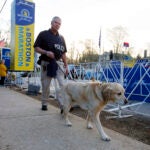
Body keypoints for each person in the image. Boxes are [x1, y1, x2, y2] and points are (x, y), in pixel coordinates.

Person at [34, 16, 68, 111]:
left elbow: (64, 53)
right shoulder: (43, 34)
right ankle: (44, 103)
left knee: (62, 85)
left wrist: (66, 65)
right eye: (56, 22)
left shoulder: (61, 38)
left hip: (58, 64)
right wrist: (46, 52)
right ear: (51, 23)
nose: (58, 25)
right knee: (46, 85)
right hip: (46, 63)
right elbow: (36, 48)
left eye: (59, 23)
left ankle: (63, 106)